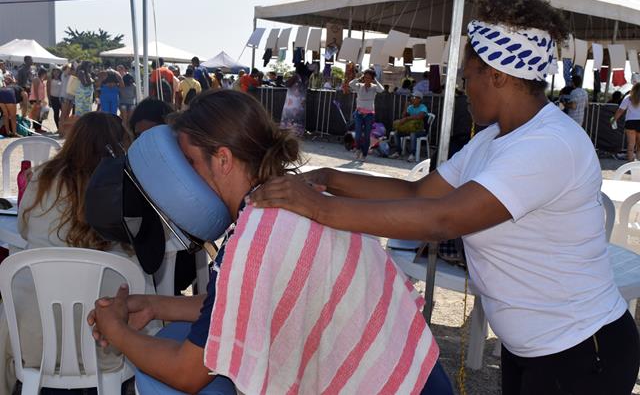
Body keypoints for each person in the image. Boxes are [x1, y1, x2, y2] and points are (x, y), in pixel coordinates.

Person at [251, 0, 640, 395]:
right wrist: (329, 178)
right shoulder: (492, 138)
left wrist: (316, 207)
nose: (463, 88)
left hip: (580, 351)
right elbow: (418, 191)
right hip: (531, 347)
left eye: (468, 76)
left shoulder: (548, 144)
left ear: (497, 75)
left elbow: (442, 219)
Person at [87, 90, 452, 395]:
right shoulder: (289, 198)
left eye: (190, 161)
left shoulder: (254, 237)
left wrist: (116, 330)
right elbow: (242, 303)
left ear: (223, 159)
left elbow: (188, 373)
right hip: (416, 373)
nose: (184, 175)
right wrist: (154, 305)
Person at [0, 112, 155, 394]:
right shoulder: (125, 187)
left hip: (35, 334)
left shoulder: (42, 178)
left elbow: (24, 230)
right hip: (108, 336)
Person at [349, 69, 384, 160]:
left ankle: (364, 154)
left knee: (367, 135)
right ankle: (358, 149)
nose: (367, 79)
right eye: (365, 77)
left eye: (369, 78)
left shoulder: (374, 87)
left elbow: (381, 89)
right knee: (358, 134)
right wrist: (359, 78)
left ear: (372, 79)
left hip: (369, 115)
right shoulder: (359, 86)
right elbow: (350, 84)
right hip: (359, 113)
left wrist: (375, 81)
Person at [390, 91, 430, 162]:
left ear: (419, 99)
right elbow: (403, 117)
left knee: (413, 134)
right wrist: (405, 107)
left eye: (414, 97)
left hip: (421, 130)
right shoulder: (410, 107)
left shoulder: (423, 107)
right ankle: (398, 152)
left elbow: (419, 117)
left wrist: (407, 118)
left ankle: (412, 154)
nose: (412, 99)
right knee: (396, 133)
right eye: (411, 97)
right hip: (410, 128)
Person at [612, 83, 640, 161]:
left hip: (630, 122)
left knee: (631, 144)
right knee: (639, 145)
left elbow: (620, 110)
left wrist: (614, 119)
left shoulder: (629, 97)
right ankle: (638, 164)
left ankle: (630, 163)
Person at [28, 67, 48, 132]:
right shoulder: (36, 79)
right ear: (43, 73)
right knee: (36, 114)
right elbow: (35, 90)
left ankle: (39, 127)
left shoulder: (41, 80)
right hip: (35, 99)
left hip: (40, 99)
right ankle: (37, 128)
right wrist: (37, 101)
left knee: (41, 114)